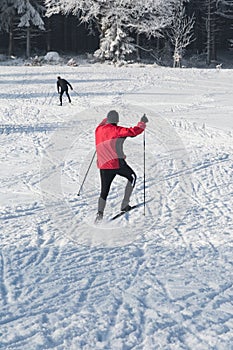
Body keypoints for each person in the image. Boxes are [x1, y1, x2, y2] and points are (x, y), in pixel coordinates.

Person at [95, 110, 148, 222]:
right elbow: (133, 132)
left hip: (103, 166)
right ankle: (124, 205)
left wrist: (106, 119)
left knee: (104, 190)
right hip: (116, 164)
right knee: (132, 177)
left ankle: (99, 215)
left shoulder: (98, 129)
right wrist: (142, 123)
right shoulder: (117, 130)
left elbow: (102, 122)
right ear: (117, 120)